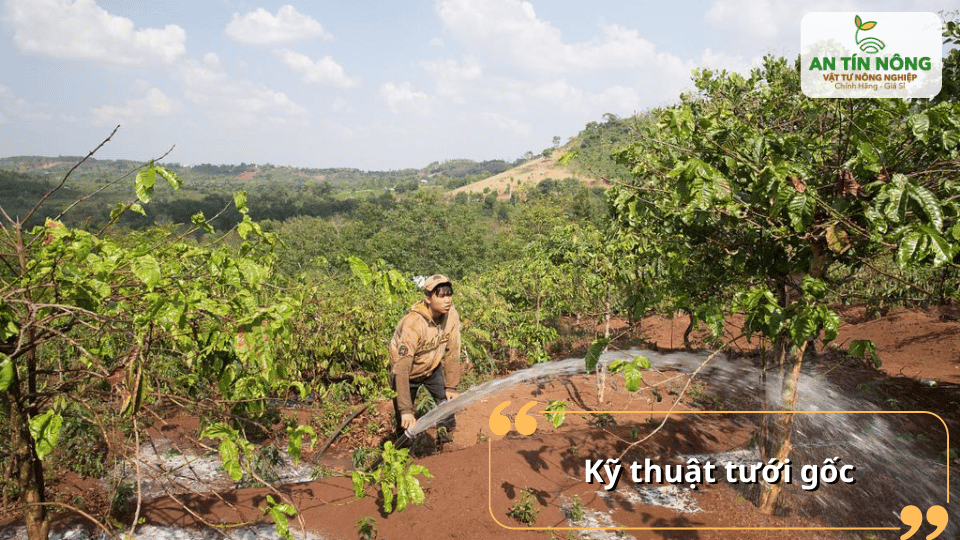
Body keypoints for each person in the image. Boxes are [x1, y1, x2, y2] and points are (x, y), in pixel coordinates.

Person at [388, 274, 462, 435]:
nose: (447, 300)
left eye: (449, 295)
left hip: (431, 368)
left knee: (447, 407)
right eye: (441, 296)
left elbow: (453, 351)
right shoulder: (413, 324)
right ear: (428, 299)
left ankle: (445, 446)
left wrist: (451, 386)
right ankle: (402, 455)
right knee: (405, 421)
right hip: (407, 374)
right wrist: (406, 410)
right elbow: (401, 368)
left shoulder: (452, 315)